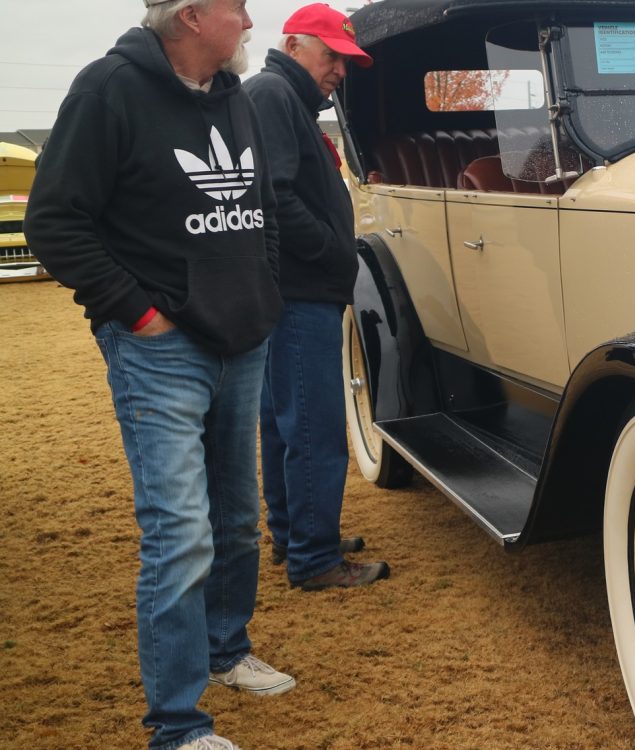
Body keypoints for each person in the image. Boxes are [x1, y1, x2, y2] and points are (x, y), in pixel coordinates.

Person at [24, 1, 293, 748]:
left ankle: (227, 651)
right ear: (192, 14)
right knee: (180, 534)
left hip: (244, 339)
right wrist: (137, 314)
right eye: (236, 8)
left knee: (237, 519)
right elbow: (54, 219)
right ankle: (177, 724)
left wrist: (263, 291)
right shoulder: (107, 89)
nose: (247, 20)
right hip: (159, 350)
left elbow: (261, 206)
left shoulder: (233, 95)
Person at [244, 2, 390, 591]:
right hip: (300, 291)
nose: (340, 71)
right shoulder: (276, 97)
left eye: (345, 60)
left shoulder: (281, 98)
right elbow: (274, 198)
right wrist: (334, 252)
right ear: (296, 44)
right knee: (313, 425)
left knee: (285, 420)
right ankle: (313, 558)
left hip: (292, 290)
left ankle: (295, 536)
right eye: (332, 56)